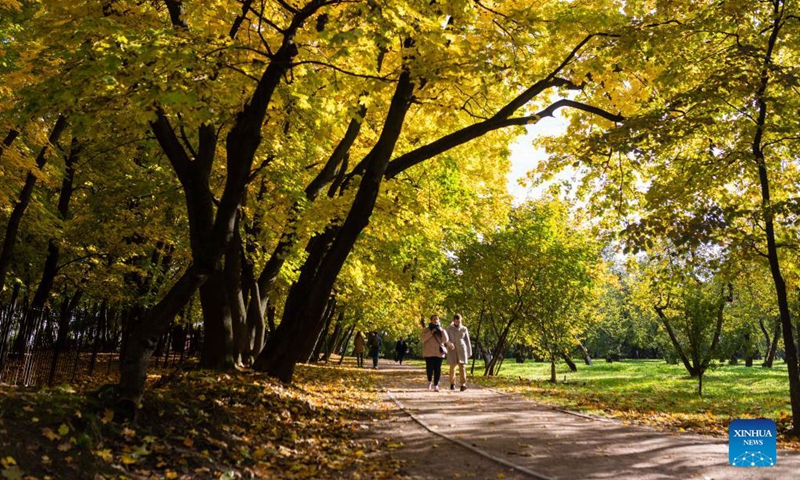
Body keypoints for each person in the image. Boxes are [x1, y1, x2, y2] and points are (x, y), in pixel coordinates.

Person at [421, 315, 449, 392]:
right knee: (429, 369)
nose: (435, 320)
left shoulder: (441, 329)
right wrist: (431, 332)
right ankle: (429, 381)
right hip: (428, 353)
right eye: (434, 319)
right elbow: (423, 339)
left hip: (438, 353)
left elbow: (445, 340)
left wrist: (442, 331)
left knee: (437, 369)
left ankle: (436, 384)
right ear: (431, 320)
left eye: (437, 319)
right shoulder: (426, 330)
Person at [446, 314, 472, 391]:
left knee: (462, 368)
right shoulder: (449, 328)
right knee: (452, 368)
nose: (457, 322)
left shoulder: (464, 329)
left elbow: (467, 341)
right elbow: (445, 339)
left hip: (462, 350)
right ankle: (452, 383)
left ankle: (463, 384)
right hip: (452, 350)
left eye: (459, 321)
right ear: (454, 320)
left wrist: (469, 351)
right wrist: (449, 344)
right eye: (456, 321)